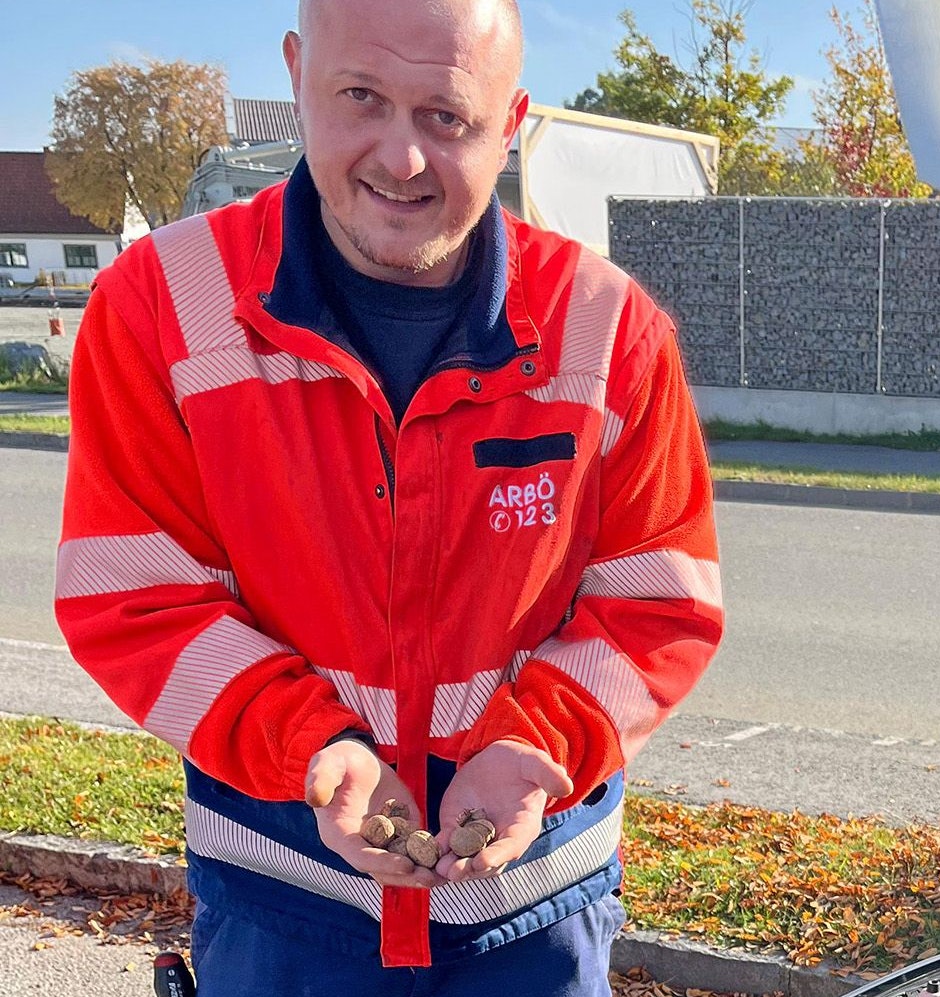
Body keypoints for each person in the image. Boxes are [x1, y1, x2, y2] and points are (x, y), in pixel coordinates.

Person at [53, 0, 723, 991]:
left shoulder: (609, 330)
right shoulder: (160, 306)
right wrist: (310, 746)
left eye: (446, 118)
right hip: (287, 906)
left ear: (511, 122)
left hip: (531, 919)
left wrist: (534, 748)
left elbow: (660, 602)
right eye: (359, 98)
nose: (399, 159)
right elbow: (132, 592)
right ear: (297, 75)